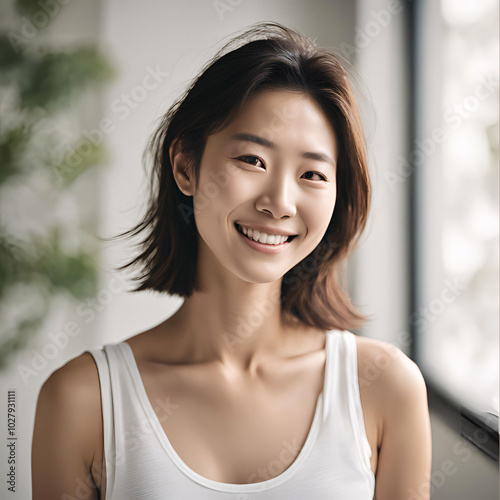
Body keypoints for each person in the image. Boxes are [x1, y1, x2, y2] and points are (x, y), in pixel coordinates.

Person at [31, 21, 432, 500]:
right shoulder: (81, 400)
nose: (280, 202)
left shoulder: (386, 387)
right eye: (253, 161)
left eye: (312, 173)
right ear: (185, 167)